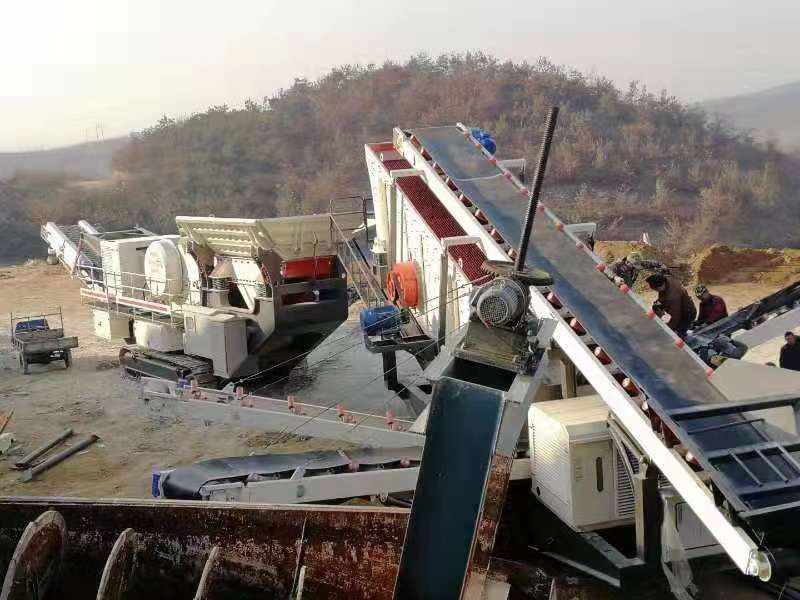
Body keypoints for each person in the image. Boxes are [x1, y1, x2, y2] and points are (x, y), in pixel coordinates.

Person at [646, 273, 697, 339]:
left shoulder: (672, 297)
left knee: (677, 334)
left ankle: (683, 344)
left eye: (656, 289)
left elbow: (675, 317)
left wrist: (668, 329)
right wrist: (659, 303)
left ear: (661, 285)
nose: (656, 291)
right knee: (656, 307)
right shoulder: (666, 279)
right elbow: (663, 294)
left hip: (687, 314)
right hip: (679, 305)